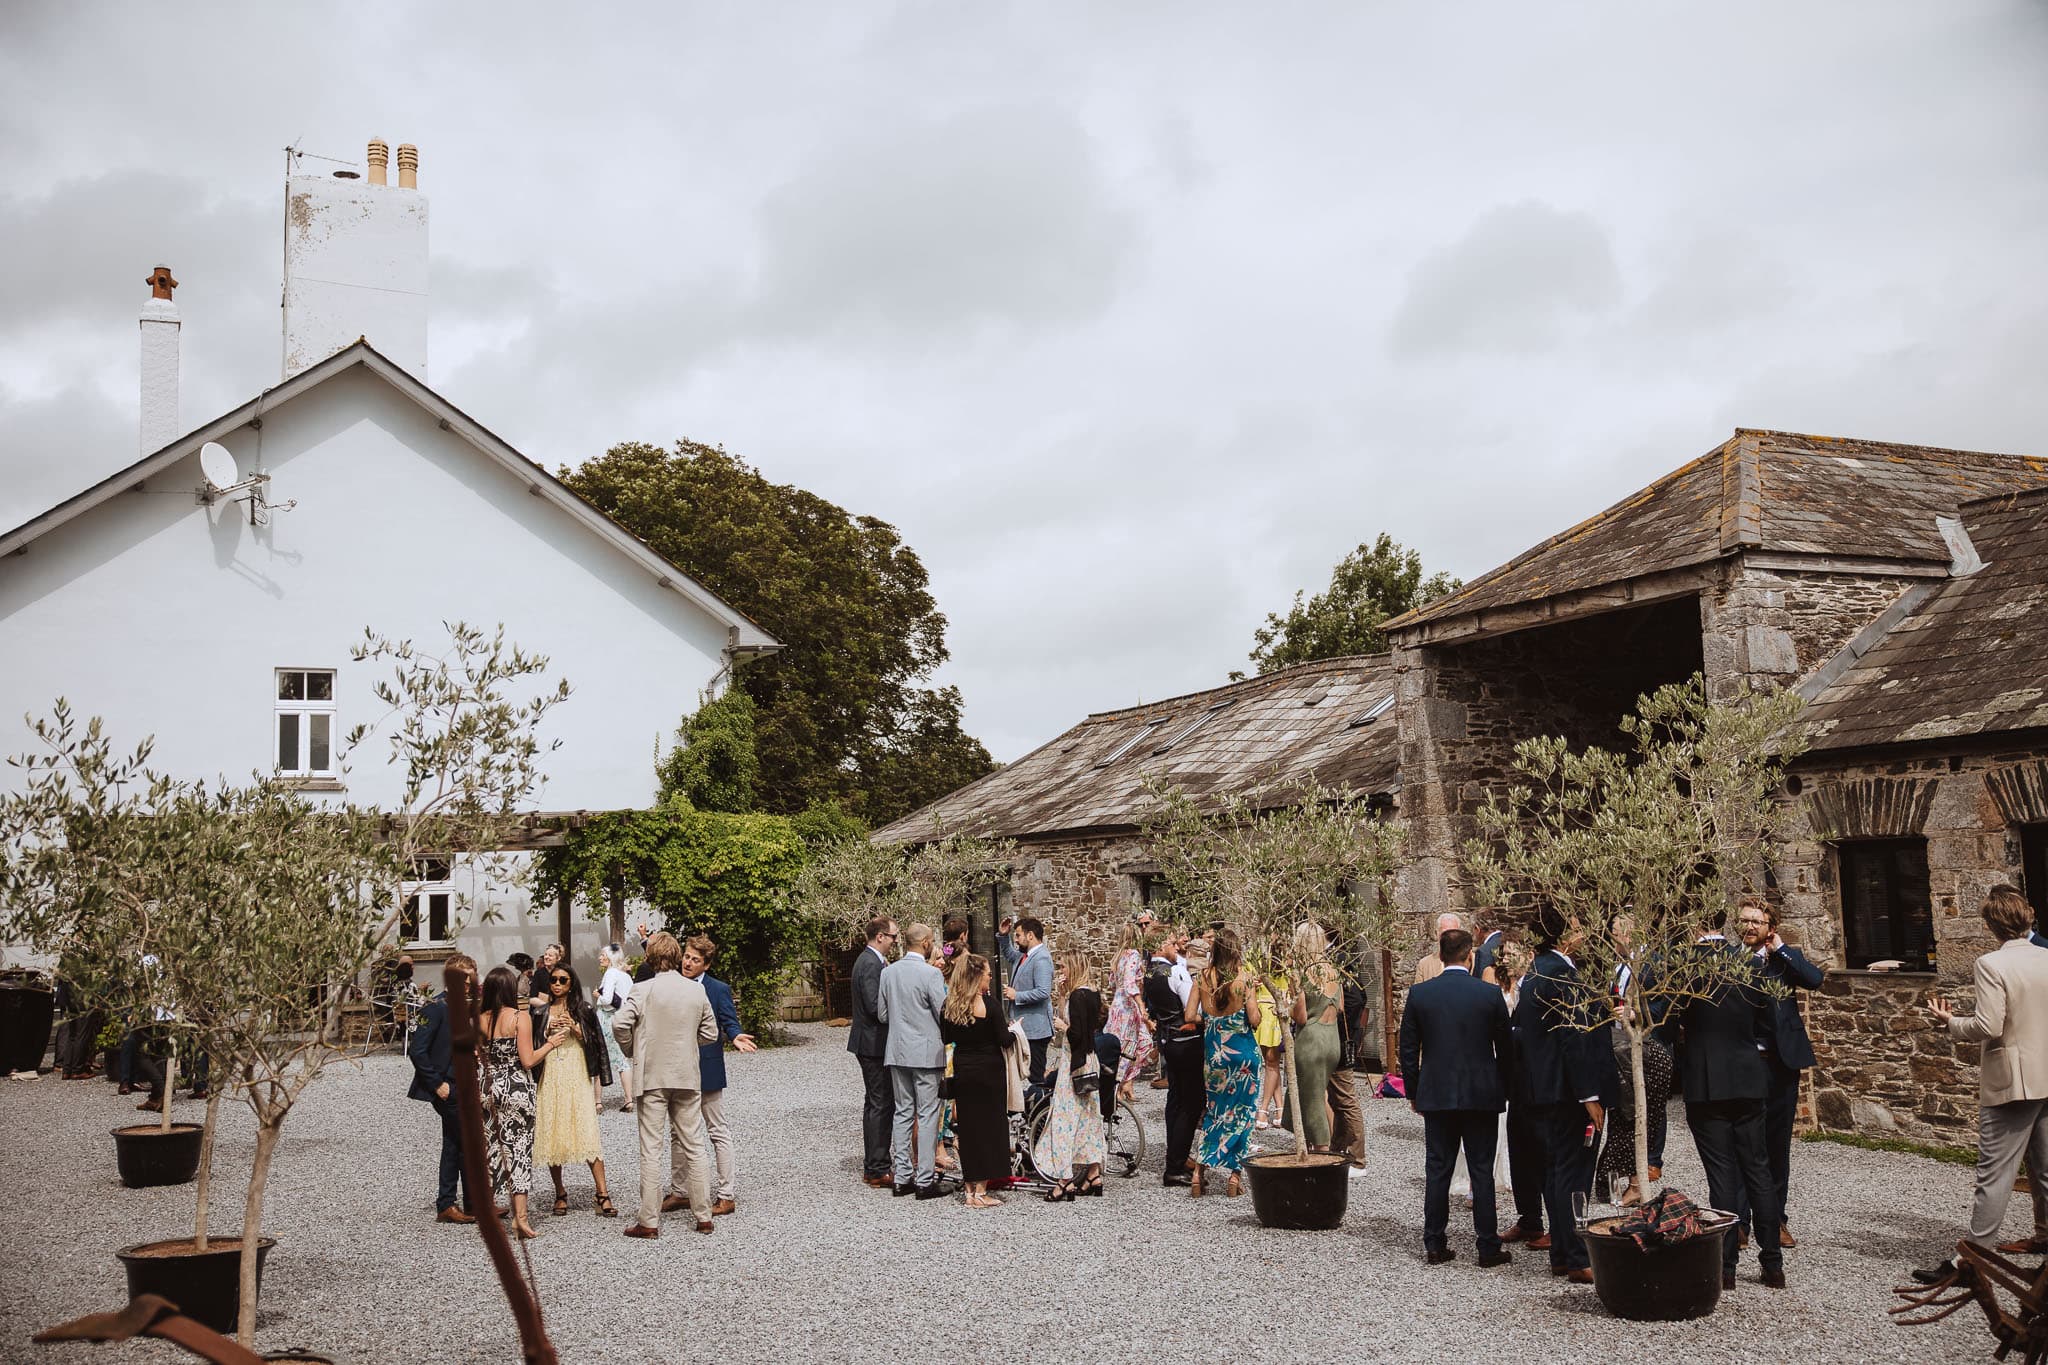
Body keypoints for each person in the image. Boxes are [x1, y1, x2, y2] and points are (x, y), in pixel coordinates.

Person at [1917, 888, 2048, 1282]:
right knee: (2044, 1171)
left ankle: (1973, 1262)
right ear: (2028, 916)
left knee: (1994, 1174)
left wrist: (1950, 1022)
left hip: (2014, 1081)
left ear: (1991, 925)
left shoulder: (1991, 963)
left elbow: (1988, 1026)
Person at [1672, 916, 1784, 1289]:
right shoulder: (1749, 964)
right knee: (1758, 1170)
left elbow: (1668, 1028)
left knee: (1722, 1175)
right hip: (1748, 1077)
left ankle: (1727, 1267)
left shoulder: (1685, 967)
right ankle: (1772, 1263)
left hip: (1706, 1082)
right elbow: (1770, 1020)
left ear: (1692, 923)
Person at [1400, 928, 1514, 1267]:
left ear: (1441, 955)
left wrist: (1414, 1090)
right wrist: (1503, 1088)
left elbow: (1408, 1049)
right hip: (1481, 1093)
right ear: (1470, 955)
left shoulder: (1421, 994)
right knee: (1481, 1171)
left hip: (1437, 1091)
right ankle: (1488, 1246)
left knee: (1438, 1169)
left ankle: (1434, 1243)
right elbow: (1506, 1050)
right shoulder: (1488, 995)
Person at [1513, 905, 1610, 1284]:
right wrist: (1589, 1094)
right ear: (1564, 935)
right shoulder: (1562, 974)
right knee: (1574, 1174)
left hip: (1546, 1089)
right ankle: (1574, 1255)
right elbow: (1574, 1038)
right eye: (1577, 923)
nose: (1582, 930)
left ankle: (1560, 1252)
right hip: (1569, 1092)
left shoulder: (1536, 972)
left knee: (1557, 1171)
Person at [612, 931, 719, 1239]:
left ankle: (649, 1221)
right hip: (686, 1075)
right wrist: (688, 1043)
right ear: (676, 956)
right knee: (694, 1145)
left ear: (649, 957)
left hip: (652, 1077)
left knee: (651, 1148)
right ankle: (703, 1217)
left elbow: (620, 1024)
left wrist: (632, 1048)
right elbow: (710, 1034)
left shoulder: (642, 989)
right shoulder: (695, 992)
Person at [1737, 895, 1822, 1248]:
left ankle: (1775, 1222)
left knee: (1776, 1147)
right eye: (1745, 920)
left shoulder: (1784, 961)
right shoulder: (1729, 961)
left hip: (1781, 1064)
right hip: (1743, 1063)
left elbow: (1814, 979)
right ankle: (1739, 1223)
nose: (1750, 927)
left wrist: (1782, 948)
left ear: (1770, 928)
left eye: (1757, 921)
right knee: (1743, 1144)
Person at [671, 934, 757, 1218]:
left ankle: (726, 1194)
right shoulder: (671, 984)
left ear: (706, 965)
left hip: (707, 1068)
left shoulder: (717, 989)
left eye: (695, 960)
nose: (688, 963)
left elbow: (729, 1021)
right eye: (686, 956)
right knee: (677, 1133)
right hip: (677, 1069)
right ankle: (680, 1191)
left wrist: (735, 1036)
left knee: (717, 1131)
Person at [530, 963, 617, 1219]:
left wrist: (576, 1028)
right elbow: (533, 1041)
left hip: (576, 1072)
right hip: (551, 1073)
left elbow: (597, 1043)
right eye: (554, 980)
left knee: (587, 1128)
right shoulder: (541, 1011)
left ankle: (602, 1192)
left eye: (563, 980)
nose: (557, 984)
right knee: (553, 1130)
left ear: (571, 983)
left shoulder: (583, 1009)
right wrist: (547, 1030)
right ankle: (559, 1192)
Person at [478, 964, 552, 1240]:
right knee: (519, 1151)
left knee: (492, 1152)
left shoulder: (479, 1019)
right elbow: (528, 1060)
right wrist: (551, 1044)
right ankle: (520, 1218)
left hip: (487, 1089)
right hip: (516, 1088)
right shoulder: (520, 1018)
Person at [878, 922, 951, 1199]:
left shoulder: (889, 972)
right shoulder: (931, 974)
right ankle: (924, 1180)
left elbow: (883, 1015)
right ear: (925, 943)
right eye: (932, 941)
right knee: (929, 1113)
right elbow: (942, 1014)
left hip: (897, 1051)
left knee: (903, 1112)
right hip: (926, 1052)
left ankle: (902, 1177)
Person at [1189, 927, 1263, 1198]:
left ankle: (1198, 1173)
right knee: (1243, 1115)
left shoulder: (1202, 978)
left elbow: (1188, 1015)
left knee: (1214, 1113)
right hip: (1243, 1056)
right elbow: (1254, 1019)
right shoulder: (1244, 980)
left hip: (1215, 1057)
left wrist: (1211, 1021)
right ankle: (1234, 1177)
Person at [406, 952, 479, 1224]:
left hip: (464, 1083)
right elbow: (418, 1050)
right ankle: (458, 1203)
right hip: (447, 1087)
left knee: (455, 1143)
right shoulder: (434, 1008)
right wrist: (438, 1084)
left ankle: (455, 1203)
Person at [1034, 943, 1108, 1199]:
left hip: (1073, 1064)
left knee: (1063, 1121)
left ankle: (1064, 1179)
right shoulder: (1091, 993)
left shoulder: (1078, 996)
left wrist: (1062, 1025)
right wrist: (1062, 994)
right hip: (1090, 1062)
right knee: (1089, 1120)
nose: (1061, 970)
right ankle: (1094, 1173)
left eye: (1064, 965)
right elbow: (1096, 1026)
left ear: (1073, 967)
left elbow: (1077, 1035)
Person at [941, 952, 1012, 1207]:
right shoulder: (989, 1006)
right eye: (987, 974)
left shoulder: (949, 1006)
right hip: (988, 1071)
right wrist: (1015, 1033)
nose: (990, 978)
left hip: (962, 1069)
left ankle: (969, 1187)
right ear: (976, 976)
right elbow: (1004, 1039)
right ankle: (980, 1192)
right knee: (990, 1129)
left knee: (969, 1129)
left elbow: (947, 1041)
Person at [1143, 928, 1202, 1186]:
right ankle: (1175, 1164)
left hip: (1167, 1040)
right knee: (1192, 1102)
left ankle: (1175, 1156)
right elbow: (1193, 1009)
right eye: (1170, 941)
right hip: (1186, 1040)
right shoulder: (1176, 972)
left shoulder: (1148, 972)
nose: (1175, 946)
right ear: (1161, 945)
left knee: (1175, 1099)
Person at [1283, 922, 1343, 1151]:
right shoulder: (1333, 969)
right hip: (1332, 1038)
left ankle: (1322, 1151)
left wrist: (1285, 1006)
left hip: (1311, 1040)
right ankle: (1328, 1147)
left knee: (1312, 1100)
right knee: (1321, 1094)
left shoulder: (1300, 972)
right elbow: (1340, 1006)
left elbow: (1300, 1017)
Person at [848, 915, 898, 1189]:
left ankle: (876, 1163)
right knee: (880, 1103)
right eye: (893, 937)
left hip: (871, 1042)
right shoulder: (869, 963)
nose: (894, 942)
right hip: (872, 1043)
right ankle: (877, 1167)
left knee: (876, 1102)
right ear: (880, 936)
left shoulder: (871, 961)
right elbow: (873, 1006)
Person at [999, 916, 1054, 1083]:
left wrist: (1017, 995)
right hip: (1024, 1027)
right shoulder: (1024, 956)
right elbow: (1009, 954)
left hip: (1035, 1029)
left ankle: (1040, 1107)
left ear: (1030, 935)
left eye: (1018, 935)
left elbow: (1043, 991)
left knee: (1036, 1076)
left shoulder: (1041, 958)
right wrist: (1003, 935)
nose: (1016, 940)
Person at [1106, 920, 1156, 1102]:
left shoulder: (1117, 958)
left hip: (1116, 1007)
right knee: (1138, 1045)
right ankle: (1121, 1085)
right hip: (1128, 1008)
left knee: (1133, 1045)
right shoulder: (1133, 955)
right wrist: (1141, 1006)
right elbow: (1128, 983)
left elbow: (1112, 983)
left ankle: (1125, 1083)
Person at [595, 943, 636, 1113]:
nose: (600, 958)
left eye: (603, 955)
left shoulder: (611, 973)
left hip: (607, 1019)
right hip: (622, 1019)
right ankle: (629, 1099)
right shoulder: (625, 975)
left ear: (610, 957)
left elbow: (607, 999)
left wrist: (598, 995)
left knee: (600, 1058)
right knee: (622, 1060)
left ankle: (597, 1101)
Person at [1414, 913, 1468, 984]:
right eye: (1445, 933)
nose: (1450, 939)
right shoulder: (1425, 964)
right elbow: (1419, 992)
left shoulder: (1472, 960)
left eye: (1453, 933)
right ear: (1437, 934)